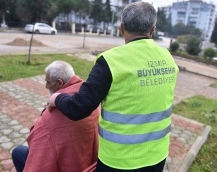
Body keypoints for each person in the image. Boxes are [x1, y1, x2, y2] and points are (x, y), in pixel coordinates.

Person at [48, 2, 179, 171]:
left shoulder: (110, 62)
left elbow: (78, 108)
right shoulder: (167, 58)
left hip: (119, 161)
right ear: (152, 30)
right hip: (157, 156)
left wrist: (57, 98)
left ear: (121, 28)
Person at [12, 61, 100, 172]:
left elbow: (38, 159)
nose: (46, 86)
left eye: (48, 82)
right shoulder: (89, 102)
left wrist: (45, 113)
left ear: (59, 83)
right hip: (90, 164)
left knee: (18, 151)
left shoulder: (50, 118)